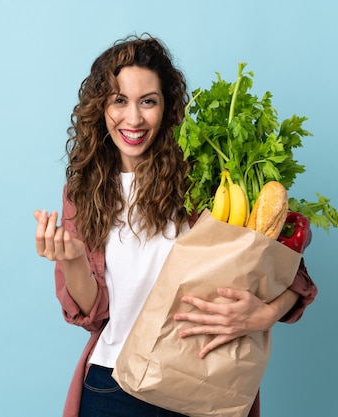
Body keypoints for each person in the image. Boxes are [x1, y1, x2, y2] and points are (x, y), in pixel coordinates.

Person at [34, 34, 318, 417]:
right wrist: (71, 259)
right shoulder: (83, 192)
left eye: (147, 101)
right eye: (119, 100)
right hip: (111, 386)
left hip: (199, 383)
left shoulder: (205, 182)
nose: (133, 118)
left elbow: (290, 272)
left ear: (166, 108)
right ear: (100, 107)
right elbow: (95, 313)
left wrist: (264, 314)